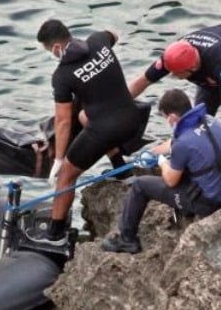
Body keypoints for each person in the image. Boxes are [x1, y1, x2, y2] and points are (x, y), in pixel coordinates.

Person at [35, 19, 144, 245]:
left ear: (56, 48)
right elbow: (116, 31)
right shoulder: (98, 41)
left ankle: (55, 234)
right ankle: (121, 171)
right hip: (133, 118)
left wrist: (58, 159)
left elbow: (63, 122)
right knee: (84, 116)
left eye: (50, 51)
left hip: (107, 131)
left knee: (67, 175)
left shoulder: (62, 76)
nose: (53, 56)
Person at [103, 89, 221, 254]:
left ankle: (127, 239)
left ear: (171, 117)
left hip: (212, 203)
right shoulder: (209, 121)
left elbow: (171, 180)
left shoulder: (183, 144)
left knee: (140, 186)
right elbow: (178, 142)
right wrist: (153, 152)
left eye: (166, 119)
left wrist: (162, 161)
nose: (169, 123)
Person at [128, 24, 221, 140]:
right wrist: (120, 105)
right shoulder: (173, 56)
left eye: (178, 74)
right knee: (198, 121)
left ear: (193, 67)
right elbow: (143, 81)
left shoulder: (217, 59)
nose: (172, 75)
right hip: (213, 71)